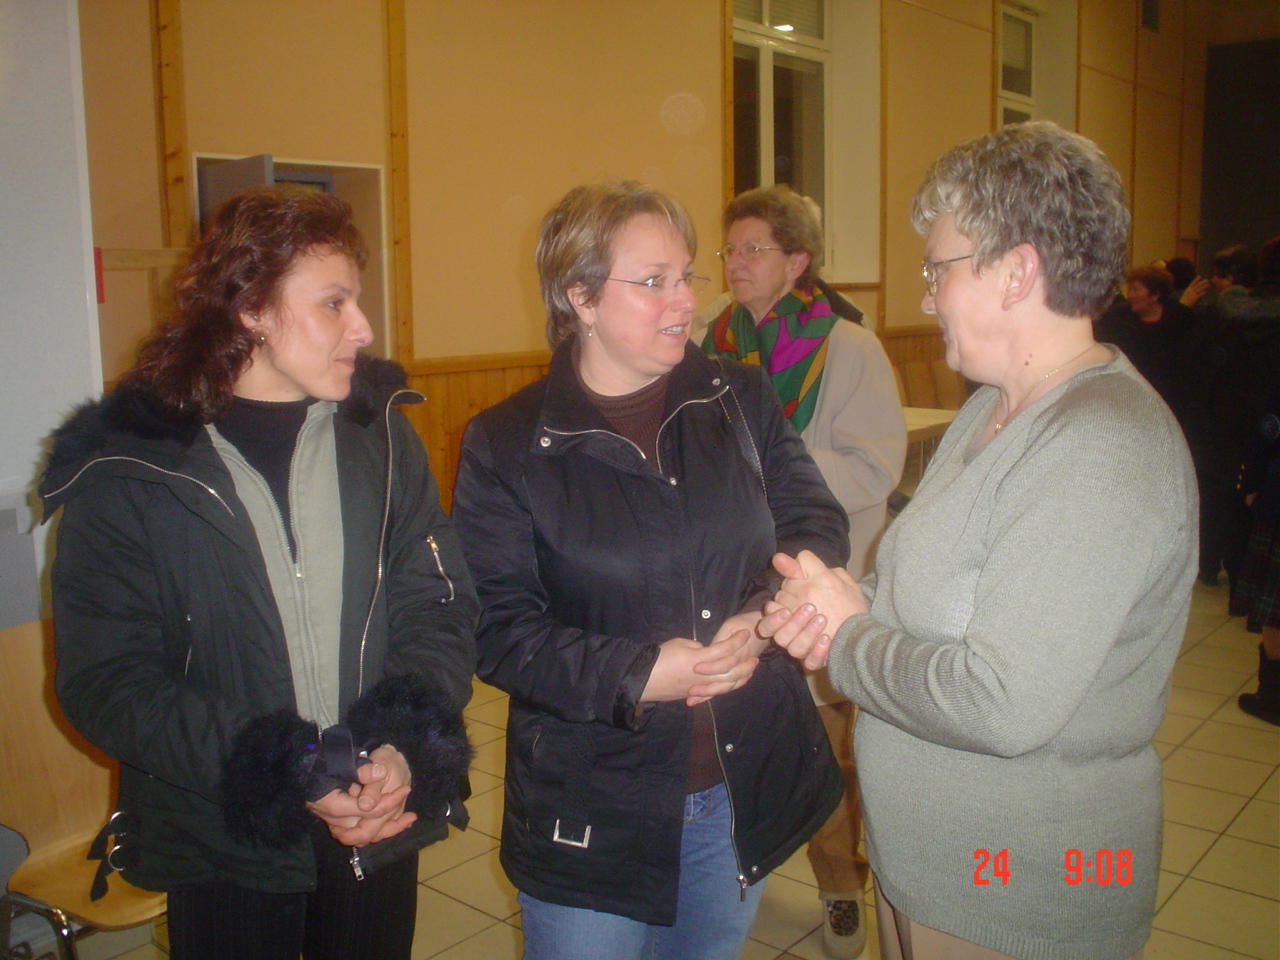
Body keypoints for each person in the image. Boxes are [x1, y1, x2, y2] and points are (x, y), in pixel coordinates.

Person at [758, 122, 1197, 960]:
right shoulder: (994, 409)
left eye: (938, 268)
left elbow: (1000, 702)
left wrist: (849, 638)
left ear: (1016, 270)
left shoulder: (1100, 447)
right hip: (927, 864)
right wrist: (834, 607)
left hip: (1019, 883)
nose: (926, 296)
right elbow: (933, 599)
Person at [40, 187, 478, 960]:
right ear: (250, 307)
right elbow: (106, 679)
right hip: (223, 833)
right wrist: (286, 765)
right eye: (333, 303)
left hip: (380, 820)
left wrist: (402, 745)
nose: (364, 328)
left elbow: (438, 608)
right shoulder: (130, 468)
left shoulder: (383, 442)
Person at [450, 181, 849, 960]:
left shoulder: (739, 398)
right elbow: (495, 629)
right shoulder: (506, 443)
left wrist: (767, 613)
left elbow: (816, 522)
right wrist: (638, 673)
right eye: (654, 280)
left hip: (737, 785)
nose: (685, 302)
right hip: (594, 804)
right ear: (582, 297)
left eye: (687, 276)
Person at [703, 184, 905, 959]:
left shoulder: (847, 345)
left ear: (797, 260)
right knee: (728, 740)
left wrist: (770, 465)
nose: (737, 263)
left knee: (824, 751)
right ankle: (726, 876)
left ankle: (839, 887)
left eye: (755, 248)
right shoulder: (707, 341)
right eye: (730, 250)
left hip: (816, 577)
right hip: (730, 581)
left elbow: (876, 466)